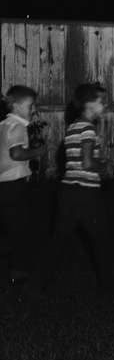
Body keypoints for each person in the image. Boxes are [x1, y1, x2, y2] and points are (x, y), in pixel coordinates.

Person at [50, 82, 114, 294]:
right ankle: (110, 288)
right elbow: (87, 162)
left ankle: (36, 286)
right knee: (102, 240)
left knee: (58, 240)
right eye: (101, 102)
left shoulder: (72, 127)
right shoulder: (88, 129)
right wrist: (104, 166)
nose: (104, 106)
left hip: (68, 191)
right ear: (89, 104)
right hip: (86, 193)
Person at [0, 86, 47, 289]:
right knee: (19, 226)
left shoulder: (3, 124)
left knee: (8, 225)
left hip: (4, 183)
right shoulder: (17, 126)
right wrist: (37, 151)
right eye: (30, 105)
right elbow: (16, 154)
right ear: (17, 106)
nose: (33, 109)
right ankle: (17, 271)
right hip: (13, 184)